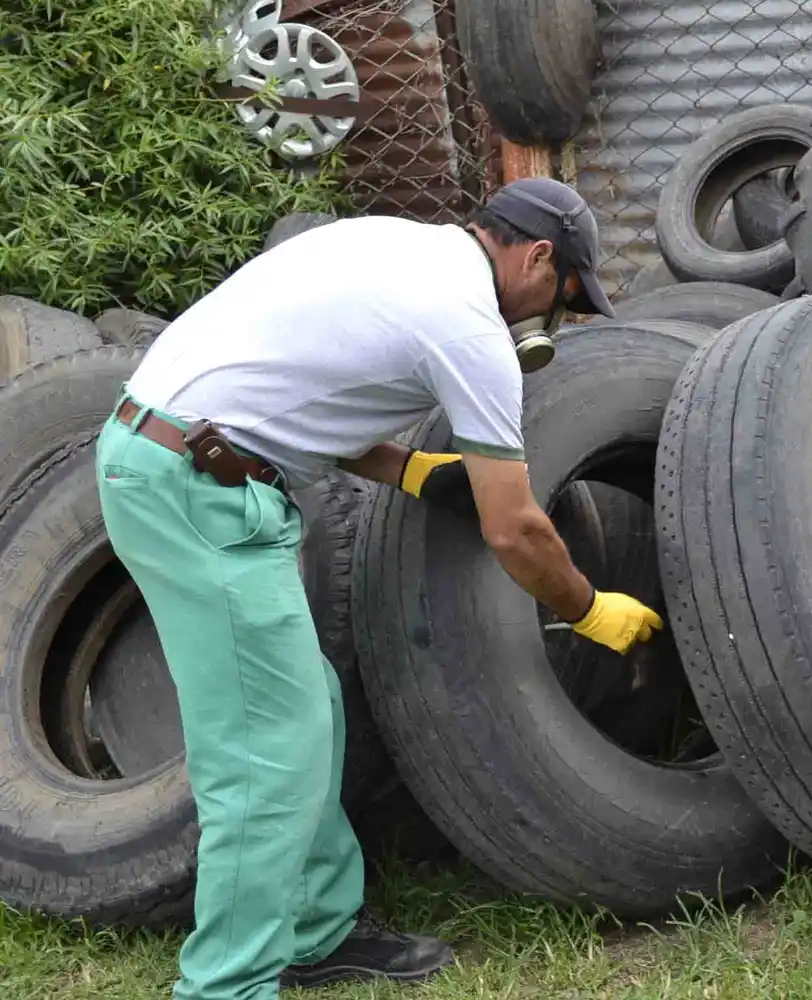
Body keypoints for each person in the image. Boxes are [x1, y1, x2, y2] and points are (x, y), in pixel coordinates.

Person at [94, 177, 664, 1000]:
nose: (554, 318)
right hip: (194, 487)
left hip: (175, 459)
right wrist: (587, 609)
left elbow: (305, 393)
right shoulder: (468, 325)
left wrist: (411, 471)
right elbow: (516, 529)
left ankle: (317, 932)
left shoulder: (399, 247)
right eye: (565, 296)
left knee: (305, 708)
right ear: (537, 257)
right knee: (264, 756)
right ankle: (224, 987)